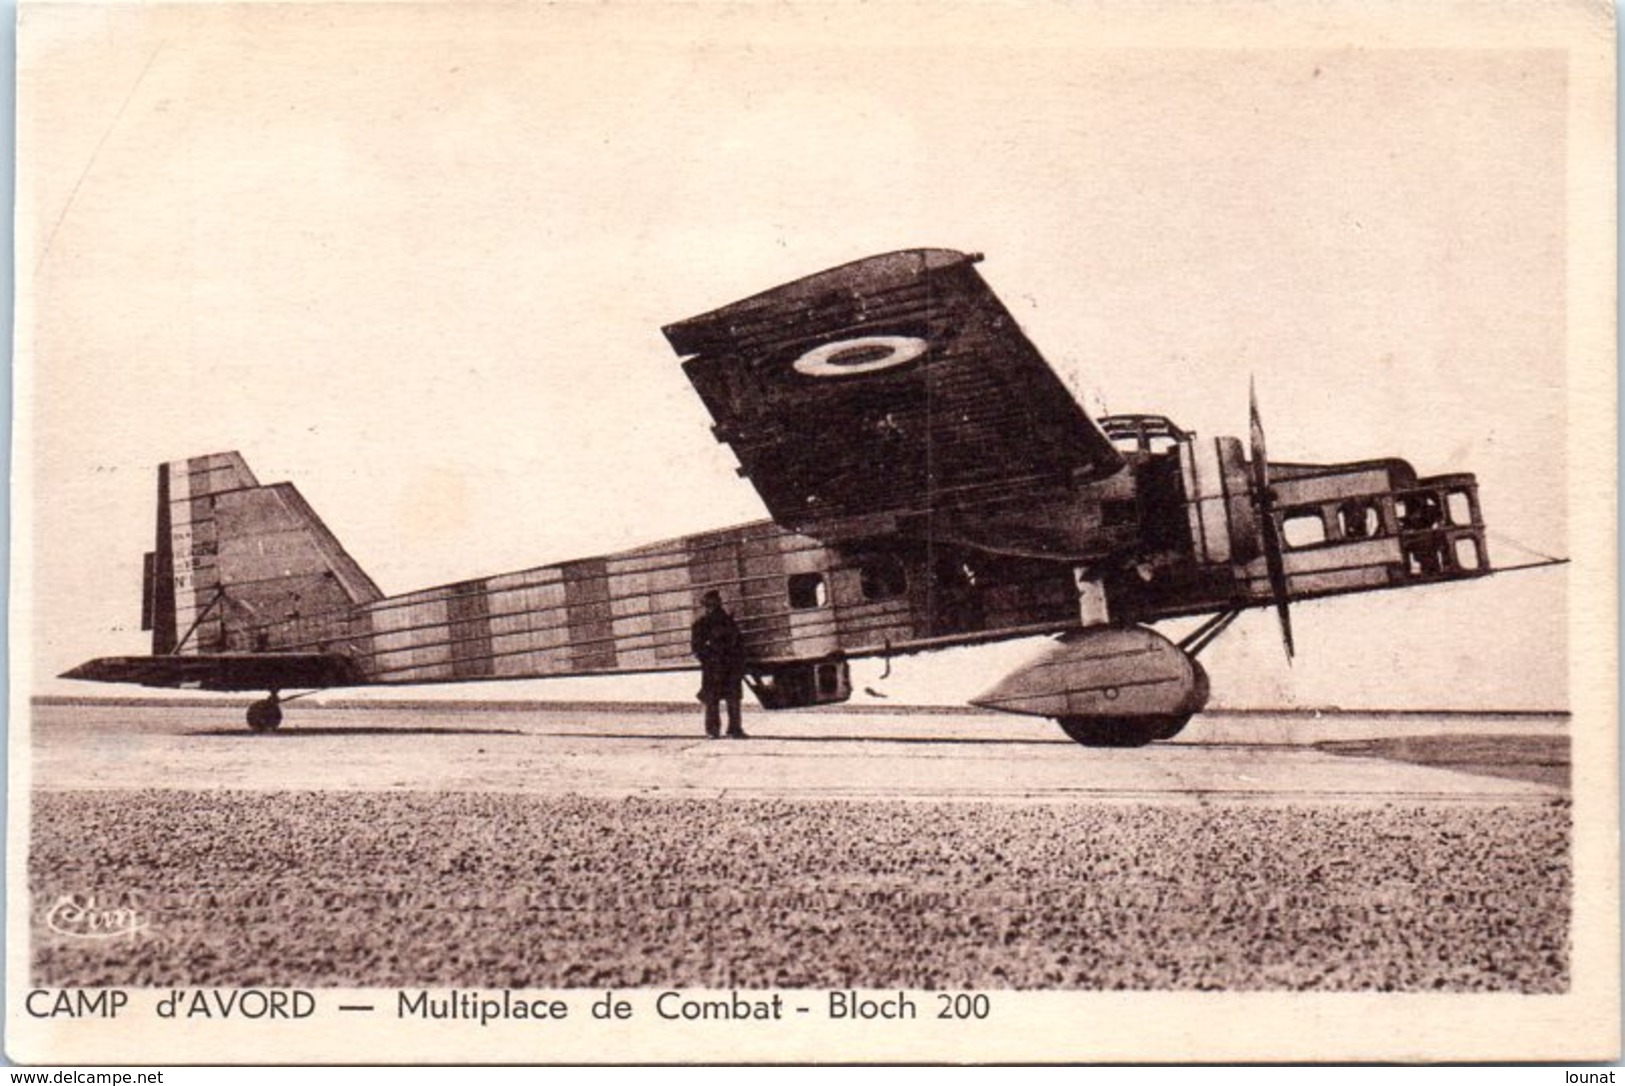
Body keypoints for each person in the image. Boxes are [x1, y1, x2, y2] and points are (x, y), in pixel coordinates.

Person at [691, 590, 747, 739]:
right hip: (719, 666)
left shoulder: (724, 621)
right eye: (711, 603)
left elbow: (738, 644)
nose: (714, 606)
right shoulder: (705, 623)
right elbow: (697, 648)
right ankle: (730, 730)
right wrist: (709, 659)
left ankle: (720, 730)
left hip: (721, 666)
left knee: (720, 699)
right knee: (723, 699)